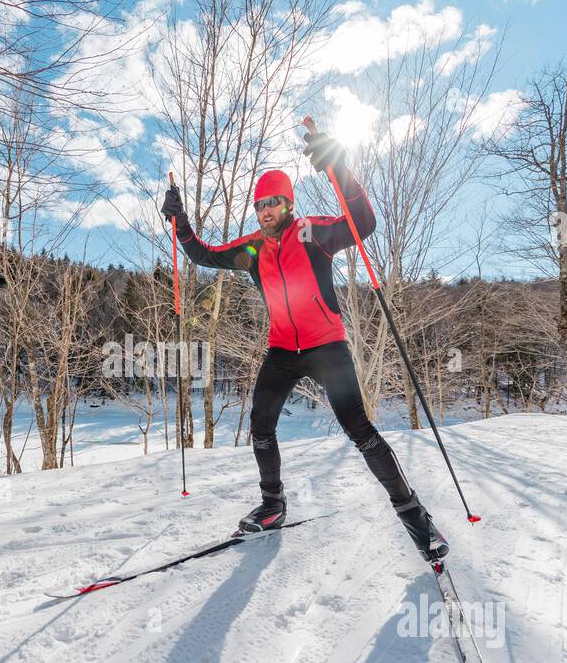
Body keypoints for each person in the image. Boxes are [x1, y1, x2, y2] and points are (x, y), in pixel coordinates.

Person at [159, 128, 448, 563]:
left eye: (272, 202)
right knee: (261, 424)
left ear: (288, 203)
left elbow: (363, 223)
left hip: (326, 345)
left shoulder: (313, 233)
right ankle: (273, 505)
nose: (264, 211)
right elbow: (203, 254)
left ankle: (416, 518)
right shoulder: (253, 249)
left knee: (360, 430)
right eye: (258, 205)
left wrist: (340, 169)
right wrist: (180, 224)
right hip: (282, 350)